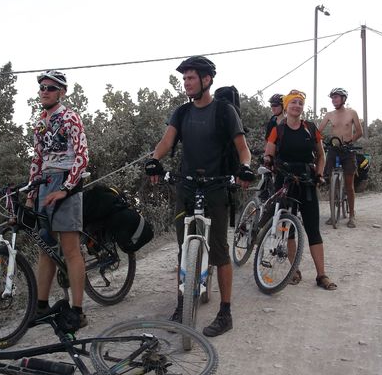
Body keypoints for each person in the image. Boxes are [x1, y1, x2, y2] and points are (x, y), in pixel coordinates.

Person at [145, 55, 255, 337]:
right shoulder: (182, 112)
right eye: (184, 79)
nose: (186, 83)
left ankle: (225, 313)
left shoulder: (224, 111)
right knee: (184, 249)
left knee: (219, 251)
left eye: (191, 78)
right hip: (187, 186)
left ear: (207, 80)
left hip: (216, 187)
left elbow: (243, 148)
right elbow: (167, 141)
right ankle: (183, 304)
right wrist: (154, 160)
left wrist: (245, 168)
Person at [26, 70, 89, 331]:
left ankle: (78, 311)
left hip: (66, 181)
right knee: (46, 247)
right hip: (45, 183)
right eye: (42, 87)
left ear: (61, 92)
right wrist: (30, 195)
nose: (45, 91)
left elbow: (82, 156)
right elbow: (37, 159)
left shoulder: (70, 117)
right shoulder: (40, 122)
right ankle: (41, 306)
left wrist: (66, 188)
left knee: (70, 249)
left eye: (51, 88)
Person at [263, 90, 337, 290]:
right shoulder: (278, 129)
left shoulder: (310, 128)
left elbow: (320, 155)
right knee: (288, 229)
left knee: (313, 229)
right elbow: (269, 153)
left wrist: (319, 174)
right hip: (285, 182)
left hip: (306, 181)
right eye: (293, 102)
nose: (297, 106)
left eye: (300, 103)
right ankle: (294, 270)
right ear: (286, 106)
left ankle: (321, 275)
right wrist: (268, 161)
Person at [318, 88, 363, 228]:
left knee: (349, 184)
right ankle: (333, 212)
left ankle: (352, 215)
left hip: (348, 150)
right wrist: (319, 141)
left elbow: (359, 132)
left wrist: (350, 141)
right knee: (328, 178)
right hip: (334, 149)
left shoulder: (352, 113)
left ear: (343, 99)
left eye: (336, 97)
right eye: (332, 98)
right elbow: (318, 131)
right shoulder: (329, 115)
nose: (334, 100)